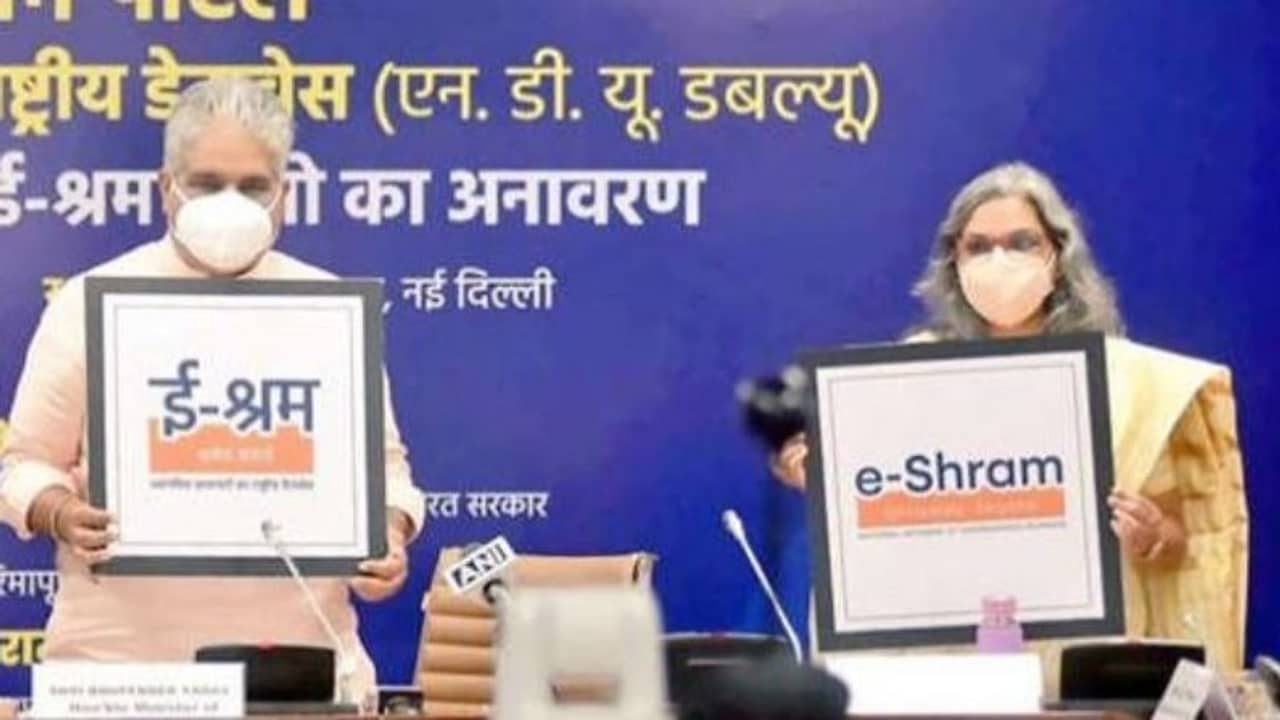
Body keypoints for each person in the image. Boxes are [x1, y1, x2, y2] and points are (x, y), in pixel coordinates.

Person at [0, 78, 426, 703]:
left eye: (253, 187)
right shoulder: (87, 304)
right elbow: (20, 466)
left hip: (297, 678)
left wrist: (386, 532)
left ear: (284, 195)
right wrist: (58, 511)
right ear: (166, 189)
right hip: (120, 678)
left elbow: (386, 474)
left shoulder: (328, 311)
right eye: (206, 184)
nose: (231, 203)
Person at [768, 162, 1248, 672]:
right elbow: (841, 478)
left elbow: (1180, 540)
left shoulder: (1124, 381)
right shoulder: (909, 373)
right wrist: (811, 469)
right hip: (949, 668)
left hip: (1077, 666)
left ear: (1058, 256)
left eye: (1022, 243)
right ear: (954, 262)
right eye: (978, 246)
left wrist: (1153, 537)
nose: (999, 260)